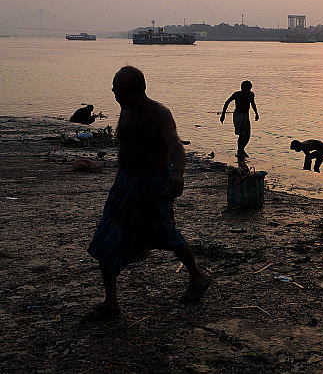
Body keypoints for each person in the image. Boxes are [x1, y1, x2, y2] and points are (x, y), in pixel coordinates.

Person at [85, 66, 209, 321]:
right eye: (115, 91)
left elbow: (175, 144)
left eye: (122, 92)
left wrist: (178, 173)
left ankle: (197, 276)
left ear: (139, 91)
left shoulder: (159, 114)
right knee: (107, 235)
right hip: (124, 182)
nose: (117, 97)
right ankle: (111, 302)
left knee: (166, 233)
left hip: (154, 182)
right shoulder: (125, 108)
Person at [220, 80, 259, 159]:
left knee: (247, 135)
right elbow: (227, 102)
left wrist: (256, 113)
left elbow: (253, 104)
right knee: (241, 135)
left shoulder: (251, 94)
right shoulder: (237, 94)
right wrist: (223, 115)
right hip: (238, 115)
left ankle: (241, 149)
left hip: (246, 115)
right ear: (242, 88)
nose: (247, 90)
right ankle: (239, 151)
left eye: (248, 88)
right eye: (245, 88)